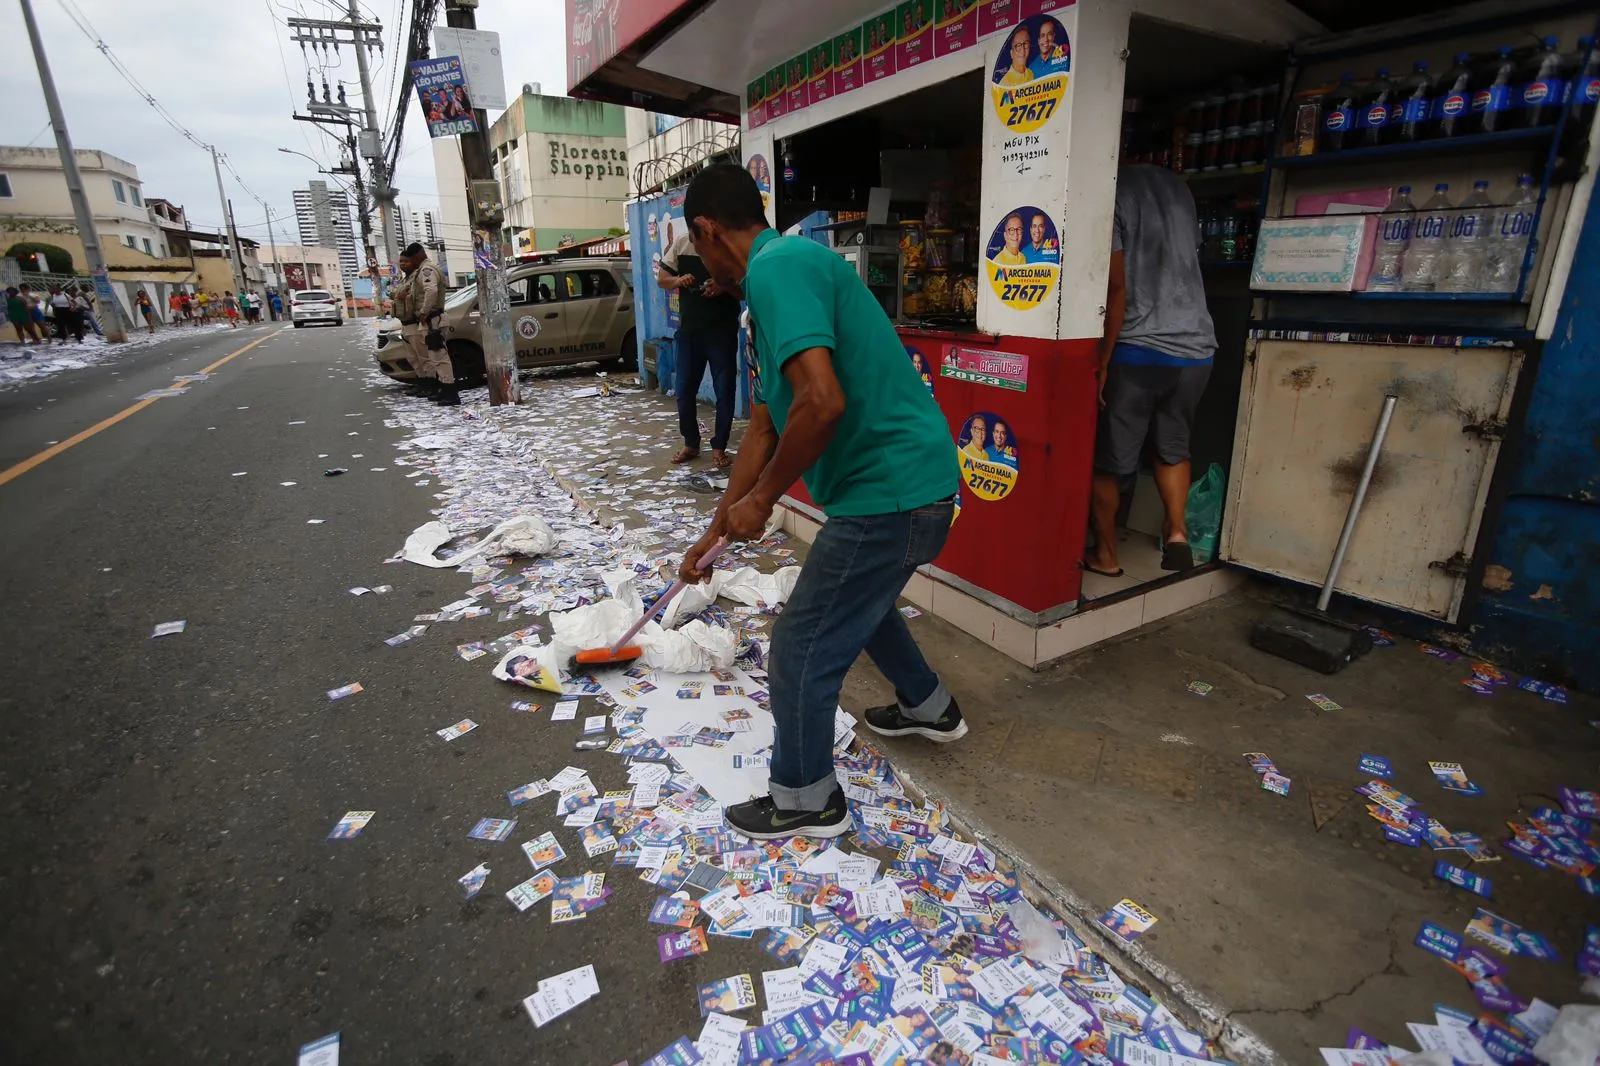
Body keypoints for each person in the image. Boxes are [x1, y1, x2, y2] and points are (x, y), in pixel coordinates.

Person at [676, 164, 964, 841]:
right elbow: (770, 425)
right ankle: (930, 706)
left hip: (890, 494)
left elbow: (823, 403)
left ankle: (806, 799)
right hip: (908, 491)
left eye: (699, 252)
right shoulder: (776, 284)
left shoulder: (779, 272)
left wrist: (767, 499)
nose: (704, 270)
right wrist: (717, 529)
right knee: (858, 604)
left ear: (708, 231)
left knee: (801, 645)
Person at [1085, 164, 1217, 578]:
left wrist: (1103, 362)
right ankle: (1176, 533)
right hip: (1197, 349)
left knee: (1109, 463)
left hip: (1139, 351)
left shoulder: (1109, 192)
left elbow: (1116, 287)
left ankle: (1106, 556)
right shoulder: (1179, 189)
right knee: (1173, 447)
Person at [659, 225, 741, 469]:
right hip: (689, 332)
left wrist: (722, 286)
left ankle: (719, 446)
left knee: (724, 391)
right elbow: (662, 279)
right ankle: (691, 443)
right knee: (684, 391)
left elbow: (744, 288)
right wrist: (678, 279)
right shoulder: (683, 243)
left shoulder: (730, 246)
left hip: (722, 332)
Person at [399, 242, 455, 406]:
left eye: (411, 260)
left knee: (439, 358)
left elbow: (431, 291)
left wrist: (423, 312)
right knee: (435, 358)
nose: (410, 264)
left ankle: (450, 393)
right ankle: (444, 390)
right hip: (432, 320)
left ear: (416, 256)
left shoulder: (426, 270)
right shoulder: (426, 269)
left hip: (433, 320)